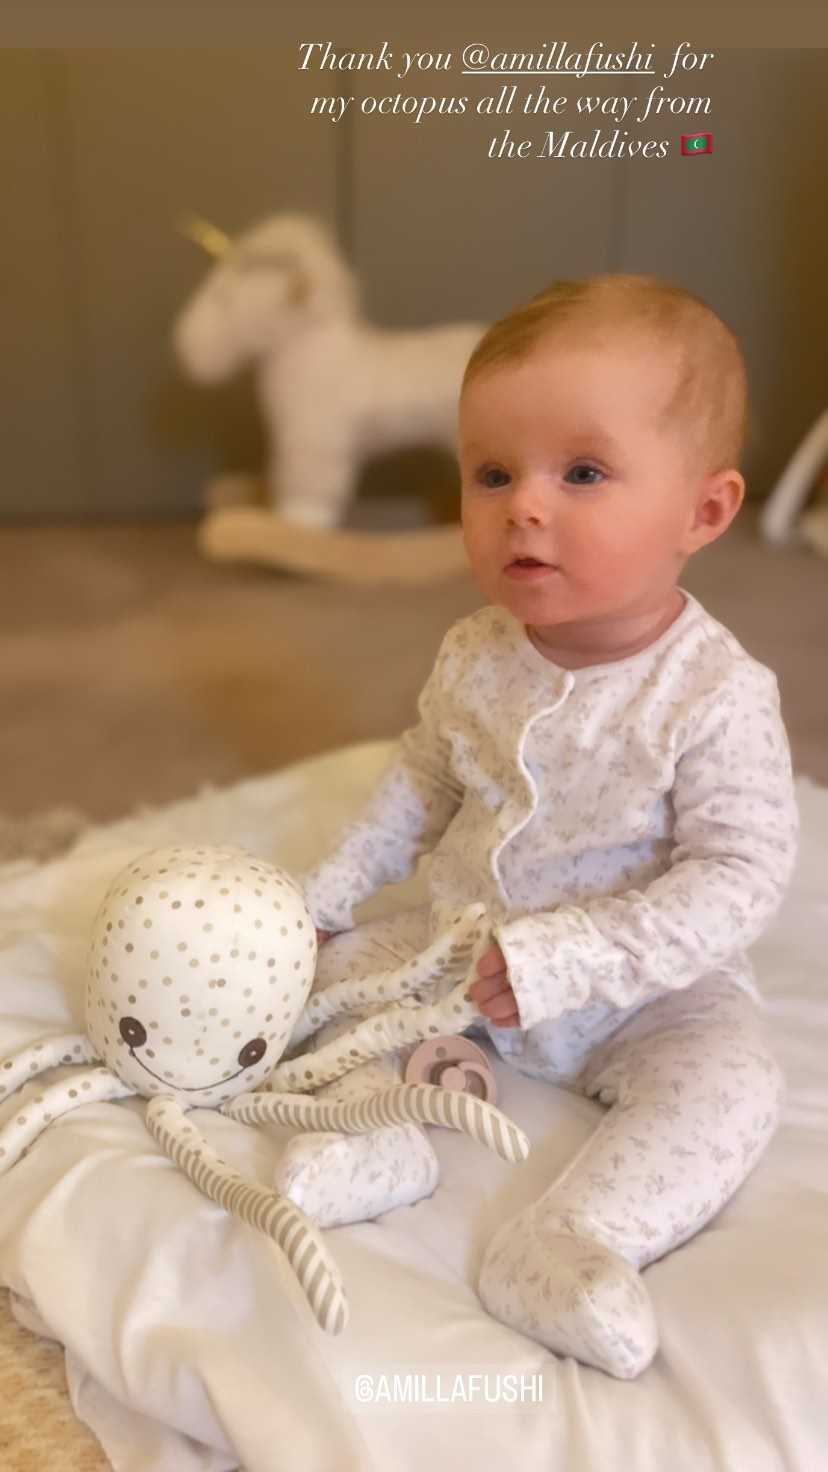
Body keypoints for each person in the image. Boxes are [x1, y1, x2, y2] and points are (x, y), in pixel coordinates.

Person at [277, 274, 800, 1379]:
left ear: (703, 513)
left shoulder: (714, 692)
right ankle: (384, 1126)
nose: (524, 505)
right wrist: (326, 897)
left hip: (644, 995)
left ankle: (573, 1237)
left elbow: (741, 872)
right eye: (493, 473)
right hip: (469, 952)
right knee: (323, 982)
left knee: (734, 1083)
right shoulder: (477, 650)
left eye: (584, 473)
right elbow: (424, 780)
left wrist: (577, 956)